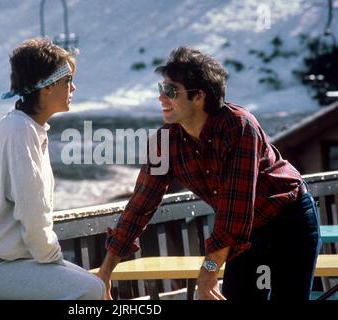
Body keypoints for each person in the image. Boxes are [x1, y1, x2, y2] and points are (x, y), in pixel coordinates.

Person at [96, 47, 322, 301]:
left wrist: (209, 270)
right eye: (161, 89)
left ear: (199, 96)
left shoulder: (238, 127)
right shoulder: (165, 140)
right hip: (241, 234)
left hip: (288, 222)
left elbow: (235, 208)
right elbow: (140, 204)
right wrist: (105, 272)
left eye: (170, 91)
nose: (161, 98)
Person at [0, 38, 104, 300]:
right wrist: (54, 259)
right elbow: (32, 214)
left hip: (2, 259)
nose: (73, 87)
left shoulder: (24, 127)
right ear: (47, 87)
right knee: (90, 289)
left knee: (88, 285)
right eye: (67, 80)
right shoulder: (19, 131)